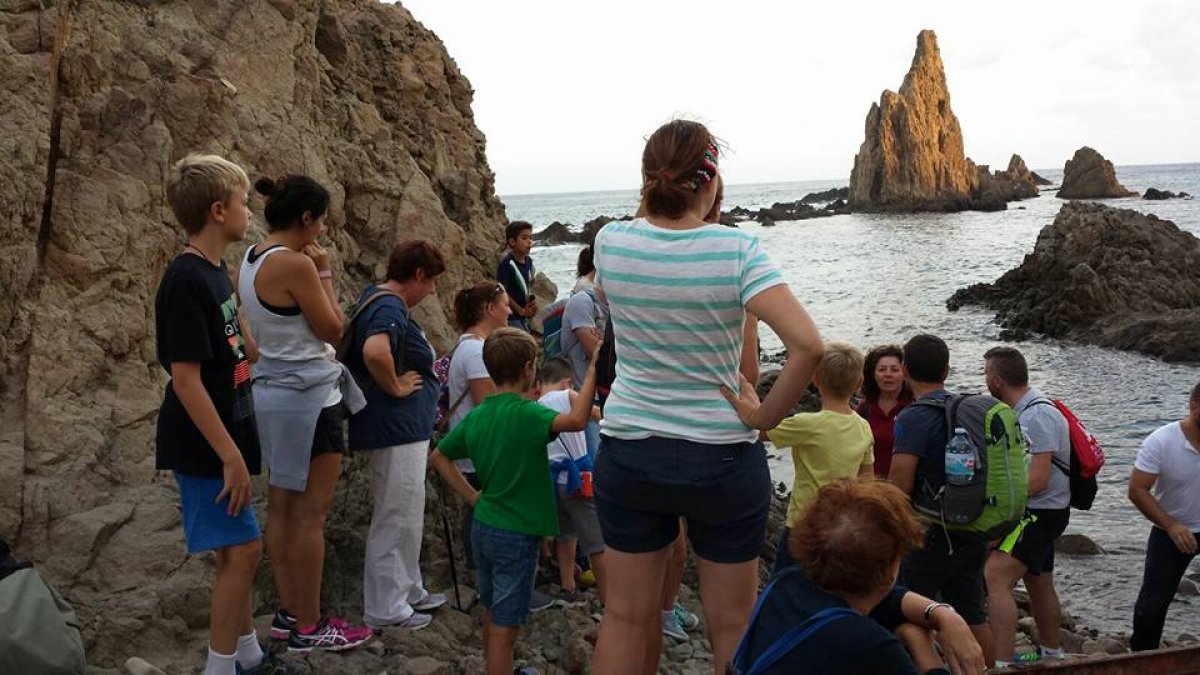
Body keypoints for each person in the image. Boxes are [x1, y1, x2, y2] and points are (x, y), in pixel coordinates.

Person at [591, 119, 824, 675]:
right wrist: (762, 416)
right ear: (712, 179)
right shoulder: (738, 248)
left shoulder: (610, 241)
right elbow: (808, 346)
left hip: (630, 450)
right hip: (720, 454)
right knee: (734, 624)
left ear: (648, 179)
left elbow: (630, 284)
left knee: (626, 617)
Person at [155, 154, 296, 674]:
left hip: (222, 436)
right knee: (244, 552)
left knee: (234, 551)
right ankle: (220, 668)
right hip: (204, 444)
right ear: (218, 211)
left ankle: (250, 656)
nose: (248, 212)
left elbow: (231, 342)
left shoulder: (215, 273)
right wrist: (231, 456)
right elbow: (185, 378)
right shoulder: (187, 280)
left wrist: (248, 342)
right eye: (241, 203)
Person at [240, 174, 371, 652]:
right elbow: (335, 330)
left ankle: (288, 613)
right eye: (321, 221)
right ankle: (312, 625)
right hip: (310, 399)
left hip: (270, 394)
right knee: (311, 515)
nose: (323, 231)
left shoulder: (251, 258)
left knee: (281, 508)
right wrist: (326, 274)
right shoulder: (296, 265)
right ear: (306, 218)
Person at [429, 328, 599, 675]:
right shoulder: (529, 415)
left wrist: (472, 496)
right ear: (527, 370)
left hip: (485, 524)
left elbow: (439, 457)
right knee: (508, 625)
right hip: (517, 533)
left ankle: (500, 666)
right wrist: (593, 369)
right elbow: (578, 419)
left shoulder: (479, 414)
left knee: (494, 610)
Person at [732, 480, 985, 675]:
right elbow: (882, 602)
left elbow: (886, 600)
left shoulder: (786, 584)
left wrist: (943, 614)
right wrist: (922, 646)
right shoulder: (869, 645)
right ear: (892, 567)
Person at [342, 240, 449, 632]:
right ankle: (386, 607)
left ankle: (408, 588)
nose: (433, 291)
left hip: (405, 429)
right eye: (432, 281)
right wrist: (396, 387)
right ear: (418, 275)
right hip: (395, 428)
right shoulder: (389, 306)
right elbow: (375, 351)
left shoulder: (378, 298)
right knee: (394, 512)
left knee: (407, 511)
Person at [887, 334, 994, 663]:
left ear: (904, 370)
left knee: (913, 611)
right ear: (946, 371)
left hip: (931, 531)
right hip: (973, 523)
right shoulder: (968, 410)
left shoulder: (914, 416)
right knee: (973, 613)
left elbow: (900, 481)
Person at [981, 347, 1071, 667]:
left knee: (995, 576)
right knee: (1039, 579)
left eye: (986, 373)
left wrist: (996, 506)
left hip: (1040, 511)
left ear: (997, 379)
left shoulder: (1036, 414)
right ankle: (1051, 654)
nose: (985, 379)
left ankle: (1002, 663)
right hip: (1045, 509)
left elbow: (1040, 478)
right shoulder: (1024, 408)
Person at [768, 341, 874, 576]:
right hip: (840, 525)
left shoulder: (806, 423)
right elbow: (867, 481)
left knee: (786, 586)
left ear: (815, 379)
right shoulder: (864, 427)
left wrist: (745, 395)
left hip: (803, 524)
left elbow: (760, 428)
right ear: (859, 383)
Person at [1127, 380, 1200, 651]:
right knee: (1152, 605)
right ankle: (1142, 659)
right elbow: (1137, 489)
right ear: (1194, 407)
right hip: (1172, 530)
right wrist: (1170, 525)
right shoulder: (1162, 440)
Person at [539, 357, 607, 604]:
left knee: (566, 536)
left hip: (550, 481)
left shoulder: (534, 405)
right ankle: (609, 599)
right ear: (567, 381)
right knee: (596, 542)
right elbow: (596, 414)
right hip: (576, 480)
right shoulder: (568, 395)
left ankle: (568, 587)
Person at [856, 344, 913, 478]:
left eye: (894, 370)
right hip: (871, 488)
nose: (888, 375)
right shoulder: (865, 409)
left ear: (904, 373)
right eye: (882, 370)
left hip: (907, 488)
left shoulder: (913, 407)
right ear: (873, 374)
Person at [497, 221, 538, 331]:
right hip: (511, 317)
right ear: (512, 241)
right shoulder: (507, 263)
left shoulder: (528, 261)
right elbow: (502, 291)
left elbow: (527, 285)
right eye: (524, 238)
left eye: (530, 237)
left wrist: (530, 305)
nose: (529, 242)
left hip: (524, 315)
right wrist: (520, 310)